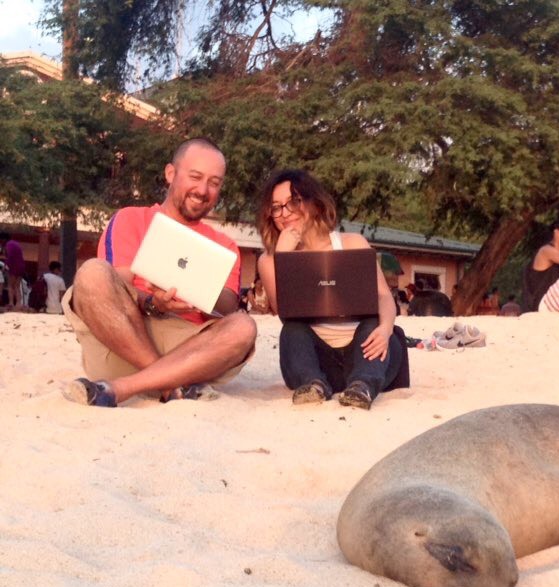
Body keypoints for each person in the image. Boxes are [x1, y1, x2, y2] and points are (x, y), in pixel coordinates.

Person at [61, 137, 257, 407]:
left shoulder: (225, 246)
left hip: (190, 352)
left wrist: (199, 291)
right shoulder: (130, 219)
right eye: (195, 176)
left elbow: (227, 306)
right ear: (170, 174)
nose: (203, 190)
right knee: (92, 273)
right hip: (125, 340)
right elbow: (115, 286)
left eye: (214, 182)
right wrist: (152, 302)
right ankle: (168, 384)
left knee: (243, 326)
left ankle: (121, 389)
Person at [256, 169, 407, 408]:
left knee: (373, 323)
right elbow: (284, 311)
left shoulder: (352, 243)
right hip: (317, 361)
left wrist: (386, 329)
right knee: (292, 332)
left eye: (293, 202)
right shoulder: (268, 260)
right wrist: (283, 255)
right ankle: (313, 386)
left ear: (313, 202)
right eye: (277, 207)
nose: (285, 213)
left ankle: (362, 387)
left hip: (365, 352)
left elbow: (383, 297)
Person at [1, 232, 26, 310]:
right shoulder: (15, 244)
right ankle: (19, 303)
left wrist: (5, 266)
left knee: (10, 285)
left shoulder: (9, 244)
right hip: (21, 266)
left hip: (13, 266)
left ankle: (11, 302)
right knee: (17, 286)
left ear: (3, 239)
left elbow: (10, 256)